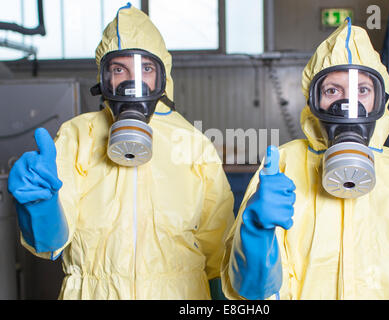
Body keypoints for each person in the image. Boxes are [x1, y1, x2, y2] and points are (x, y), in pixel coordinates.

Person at [8, 3, 234, 300]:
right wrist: (39, 205)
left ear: (162, 78)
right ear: (104, 79)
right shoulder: (77, 137)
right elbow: (49, 245)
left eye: (146, 68)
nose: (133, 83)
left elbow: (218, 256)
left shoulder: (193, 144)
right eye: (119, 69)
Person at [220, 19, 389, 300]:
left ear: (381, 101)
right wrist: (255, 234)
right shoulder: (281, 167)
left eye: (362, 90)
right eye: (332, 91)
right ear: (313, 100)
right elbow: (250, 295)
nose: (348, 104)